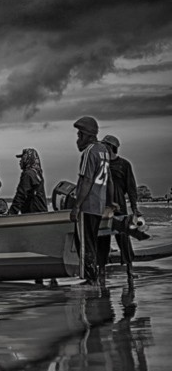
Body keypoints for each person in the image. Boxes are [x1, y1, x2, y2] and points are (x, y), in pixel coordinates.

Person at [7, 148, 56, 286]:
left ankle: (40, 277)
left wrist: (11, 214)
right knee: (43, 246)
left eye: (22, 158)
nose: (20, 162)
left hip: (33, 215)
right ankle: (50, 276)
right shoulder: (37, 172)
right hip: (41, 213)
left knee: (36, 246)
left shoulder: (28, 174)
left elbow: (21, 194)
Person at [70, 116, 110, 286]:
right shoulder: (104, 150)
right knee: (92, 240)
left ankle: (90, 277)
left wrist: (77, 206)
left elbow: (86, 181)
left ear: (87, 135)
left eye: (79, 135)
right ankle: (93, 275)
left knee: (85, 243)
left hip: (88, 204)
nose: (78, 139)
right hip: (99, 204)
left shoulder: (89, 152)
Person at [98, 135, 140, 280]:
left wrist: (135, 209)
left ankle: (130, 270)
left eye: (104, 145)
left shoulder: (124, 165)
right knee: (102, 239)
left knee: (124, 239)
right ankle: (101, 271)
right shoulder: (100, 164)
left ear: (110, 147)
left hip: (120, 206)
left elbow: (131, 189)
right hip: (103, 207)